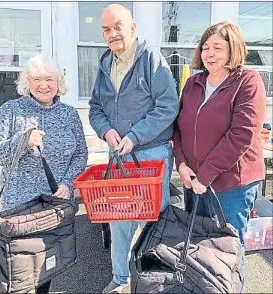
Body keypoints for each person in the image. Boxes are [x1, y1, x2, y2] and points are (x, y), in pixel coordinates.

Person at [89, 4, 179, 293]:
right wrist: (107, 130)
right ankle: (121, 278)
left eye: (117, 26)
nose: (112, 33)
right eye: (106, 29)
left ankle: (156, 281)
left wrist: (136, 136)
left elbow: (168, 105)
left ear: (132, 28)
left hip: (150, 152)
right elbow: (95, 108)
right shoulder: (105, 64)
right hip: (118, 156)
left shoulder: (151, 59)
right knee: (119, 219)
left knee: (153, 220)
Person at [173, 21, 266, 287]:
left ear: (233, 49)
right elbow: (177, 127)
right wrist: (181, 164)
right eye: (205, 47)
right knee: (199, 246)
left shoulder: (248, 81)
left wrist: (205, 175)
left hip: (231, 186)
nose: (209, 53)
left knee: (227, 249)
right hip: (193, 181)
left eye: (217, 47)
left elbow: (242, 135)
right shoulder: (193, 82)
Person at [0, 55, 88, 293]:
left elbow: (80, 155)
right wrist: (22, 141)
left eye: (50, 79)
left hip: (53, 206)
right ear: (27, 82)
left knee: (46, 267)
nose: (44, 85)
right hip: (20, 209)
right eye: (37, 79)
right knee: (19, 274)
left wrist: (68, 183)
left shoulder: (69, 114)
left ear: (58, 82)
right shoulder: (10, 111)